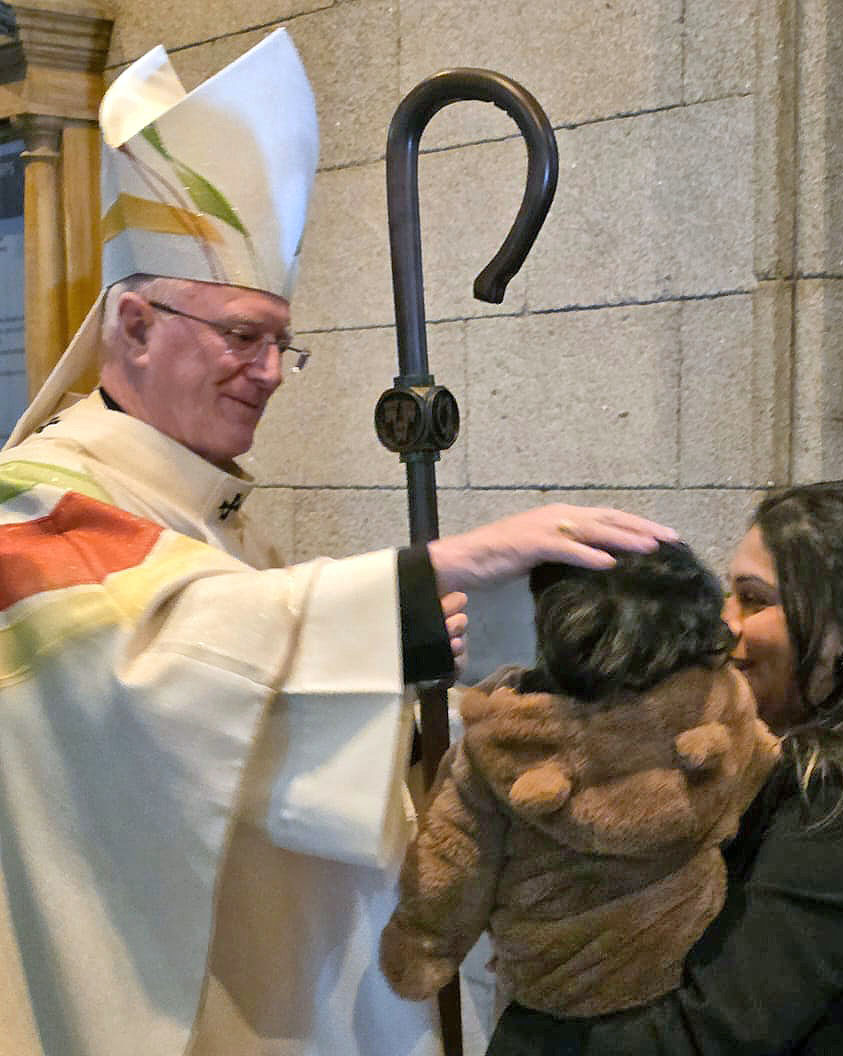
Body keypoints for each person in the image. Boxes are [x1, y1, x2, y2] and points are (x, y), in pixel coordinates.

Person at [0, 31, 672, 1056]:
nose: (268, 371)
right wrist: (424, 585)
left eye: (281, 341)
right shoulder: (35, 507)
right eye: (240, 336)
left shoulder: (199, 513)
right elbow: (158, 659)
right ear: (133, 324)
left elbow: (258, 683)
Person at [486, 481, 843, 1055]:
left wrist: (529, 1035)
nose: (724, 626)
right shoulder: (833, 769)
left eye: (755, 600)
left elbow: (714, 1033)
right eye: (729, 595)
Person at [379, 542, 779, 1017]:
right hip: (685, 978)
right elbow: (762, 775)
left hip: (549, 1002)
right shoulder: (718, 703)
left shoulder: (506, 746)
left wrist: (421, 948)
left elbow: (453, 863)